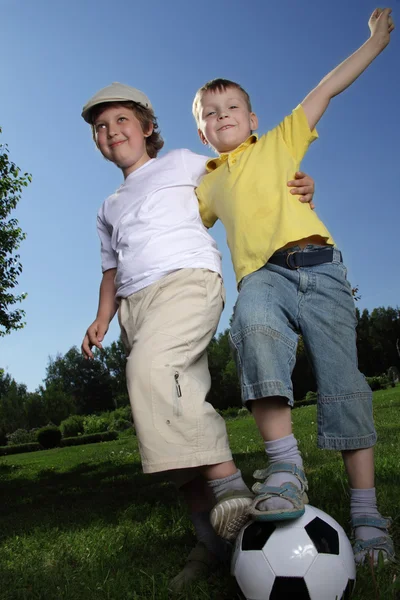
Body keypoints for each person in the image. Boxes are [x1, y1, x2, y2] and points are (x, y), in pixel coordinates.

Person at [80, 82, 316, 590]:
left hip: (187, 283)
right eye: (101, 127)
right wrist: (102, 316)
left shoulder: (184, 163)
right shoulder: (108, 208)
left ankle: (229, 486)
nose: (111, 131)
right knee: (160, 418)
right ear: (97, 143)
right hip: (134, 308)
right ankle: (212, 542)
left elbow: (247, 168)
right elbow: (111, 269)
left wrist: (297, 183)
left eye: (122, 120)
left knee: (149, 376)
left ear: (147, 128)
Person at [193, 8, 395, 565]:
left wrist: (375, 43)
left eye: (232, 107)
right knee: (251, 324)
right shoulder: (205, 185)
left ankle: (367, 513)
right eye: (210, 113)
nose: (222, 115)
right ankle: (285, 467)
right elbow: (170, 221)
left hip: (320, 265)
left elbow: (326, 88)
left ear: (252, 117)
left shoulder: (279, 143)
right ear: (202, 131)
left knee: (344, 382)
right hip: (261, 276)